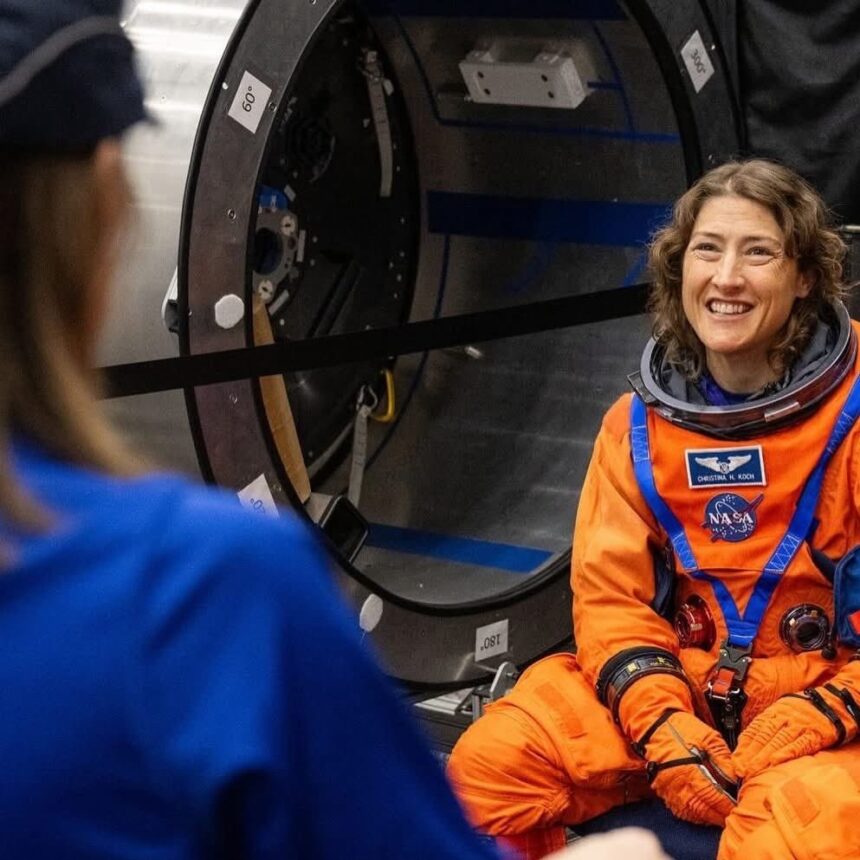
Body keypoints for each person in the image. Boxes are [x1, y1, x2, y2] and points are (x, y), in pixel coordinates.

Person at [447, 158, 860, 860]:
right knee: (490, 771)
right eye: (708, 249)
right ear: (679, 268)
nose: (726, 278)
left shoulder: (851, 416)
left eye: (758, 253)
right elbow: (610, 602)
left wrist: (824, 711)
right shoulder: (636, 428)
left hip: (831, 708)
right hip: (684, 690)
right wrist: (661, 722)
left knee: (791, 832)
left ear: (805, 278)